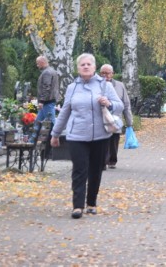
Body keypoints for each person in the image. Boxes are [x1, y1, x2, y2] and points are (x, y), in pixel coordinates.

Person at [50, 53, 124, 219]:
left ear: (94, 67)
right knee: (79, 170)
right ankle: (77, 206)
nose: (85, 66)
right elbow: (65, 112)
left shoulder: (104, 85)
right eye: (82, 64)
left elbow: (119, 106)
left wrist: (109, 103)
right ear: (78, 68)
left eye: (88, 64)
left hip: (100, 135)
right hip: (77, 135)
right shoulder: (72, 88)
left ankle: (91, 203)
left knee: (95, 170)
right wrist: (55, 133)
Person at [100, 64, 133, 169]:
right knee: (103, 141)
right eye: (103, 73)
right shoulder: (97, 85)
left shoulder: (120, 85)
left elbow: (126, 104)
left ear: (112, 74)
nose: (105, 75)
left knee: (113, 141)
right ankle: (103, 162)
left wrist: (129, 122)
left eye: (108, 73)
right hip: (102, 119)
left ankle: (112, 161)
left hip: (115, 119)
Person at [31, 56, 59, 142]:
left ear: (42, 62)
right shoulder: (52, 71)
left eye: (38, 63)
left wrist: (41, 101)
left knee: (51, 123)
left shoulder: (47, 72)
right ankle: (31, 142)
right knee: (37, 122)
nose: (37, 65)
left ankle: (56, 139)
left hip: (47, 101)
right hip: (48, 101)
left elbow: (46, 87)